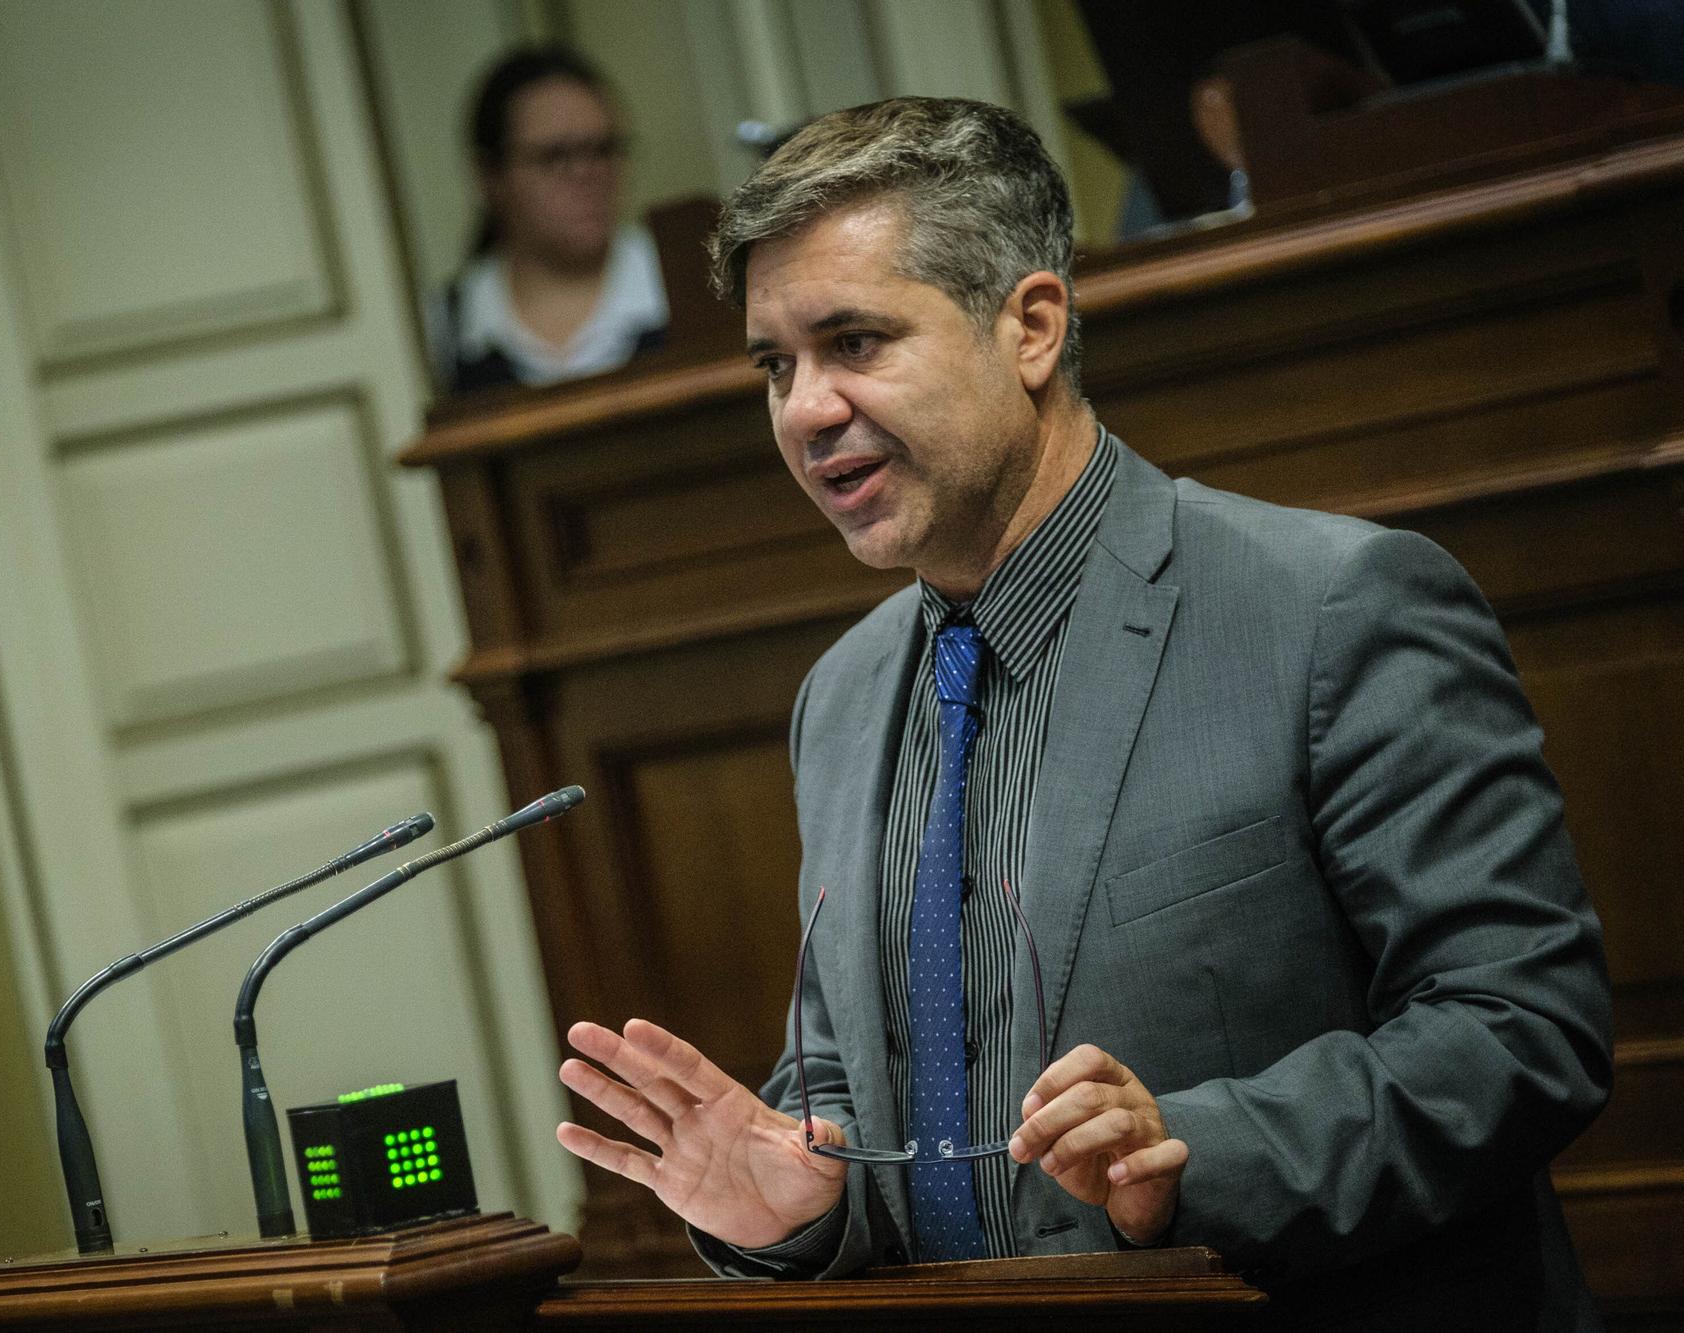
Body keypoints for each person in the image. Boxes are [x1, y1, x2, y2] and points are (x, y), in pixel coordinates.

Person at [553, 97, 1614, 1329]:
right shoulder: (838, 700)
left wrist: (1194, 1155)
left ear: (1032, 328)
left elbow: (1517, 1026)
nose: (801, 410)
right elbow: (855, 1074)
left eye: (853, 343)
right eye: (775, 365)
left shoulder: (1330, 608)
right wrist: (803, 1202)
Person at [425, 45, 668, 395]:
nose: (588, 174)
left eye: (602, 150)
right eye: (556, 157)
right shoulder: (451, 322)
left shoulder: (676, 278)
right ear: (489, 176)